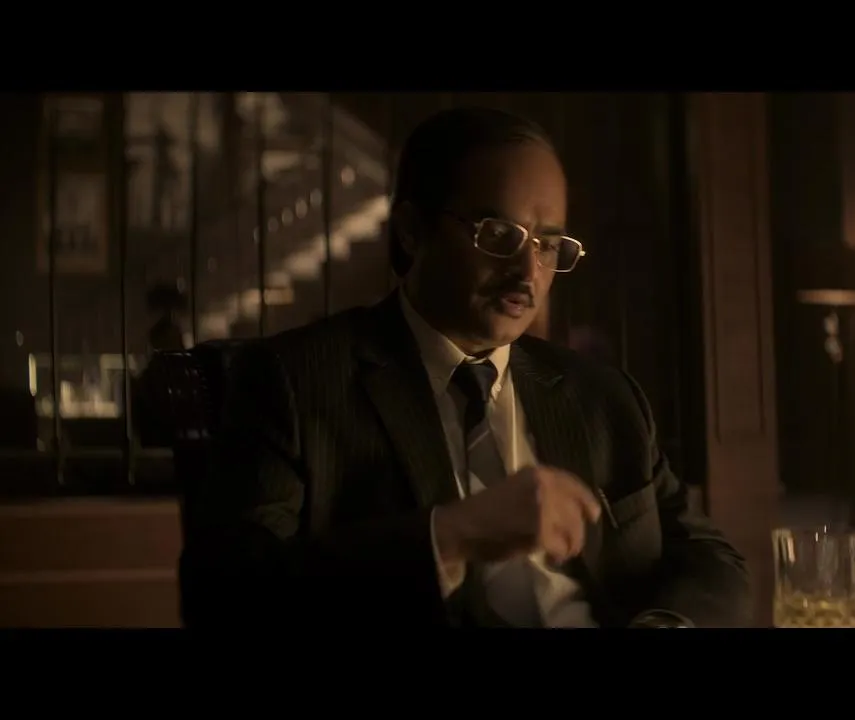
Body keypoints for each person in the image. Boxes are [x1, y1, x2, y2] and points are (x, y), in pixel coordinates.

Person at [180, 107, 750, 629]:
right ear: (412, 230)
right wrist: (452, 535)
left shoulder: (604, 397)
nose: (527, 271)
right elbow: (223, 597)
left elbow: (711, 557)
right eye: (499, 235)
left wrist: (665, 625)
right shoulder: (294, 381)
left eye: (548, 244)